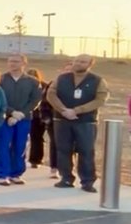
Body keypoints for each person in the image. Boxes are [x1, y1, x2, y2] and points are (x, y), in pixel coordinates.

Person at [46, 54, 110, 193]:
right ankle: (66, 178)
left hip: (86, 121)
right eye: (76, 61)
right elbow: (51, 94)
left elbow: (100, 99)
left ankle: (87, 181)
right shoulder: (61, 78)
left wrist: (77, 110)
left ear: (90, 64)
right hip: (62, 120)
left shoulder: (97, 80)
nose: (78, 63)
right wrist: (63, 110)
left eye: (82, 62)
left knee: (86, 151)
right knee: (63, 150)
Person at [0, 54, 42, 186]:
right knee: (3, 145)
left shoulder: (33, 81)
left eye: (16, 61)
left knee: (20, 145)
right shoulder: (1, 80)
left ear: (23, 63)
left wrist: (21, 114)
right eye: (10, 61)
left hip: (23, 118)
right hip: (4, 118)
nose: (12, 64)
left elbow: (35, 100)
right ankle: (2, 174)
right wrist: (11, 112)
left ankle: (16, 173)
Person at [27, 68, 56, 176]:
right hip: (34, 116)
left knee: (52, 139)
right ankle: (35, 160)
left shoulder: (45, 85)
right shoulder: (26, 86)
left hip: (45, 114)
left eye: (35, 76)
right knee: (36, 138)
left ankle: (52, 165)